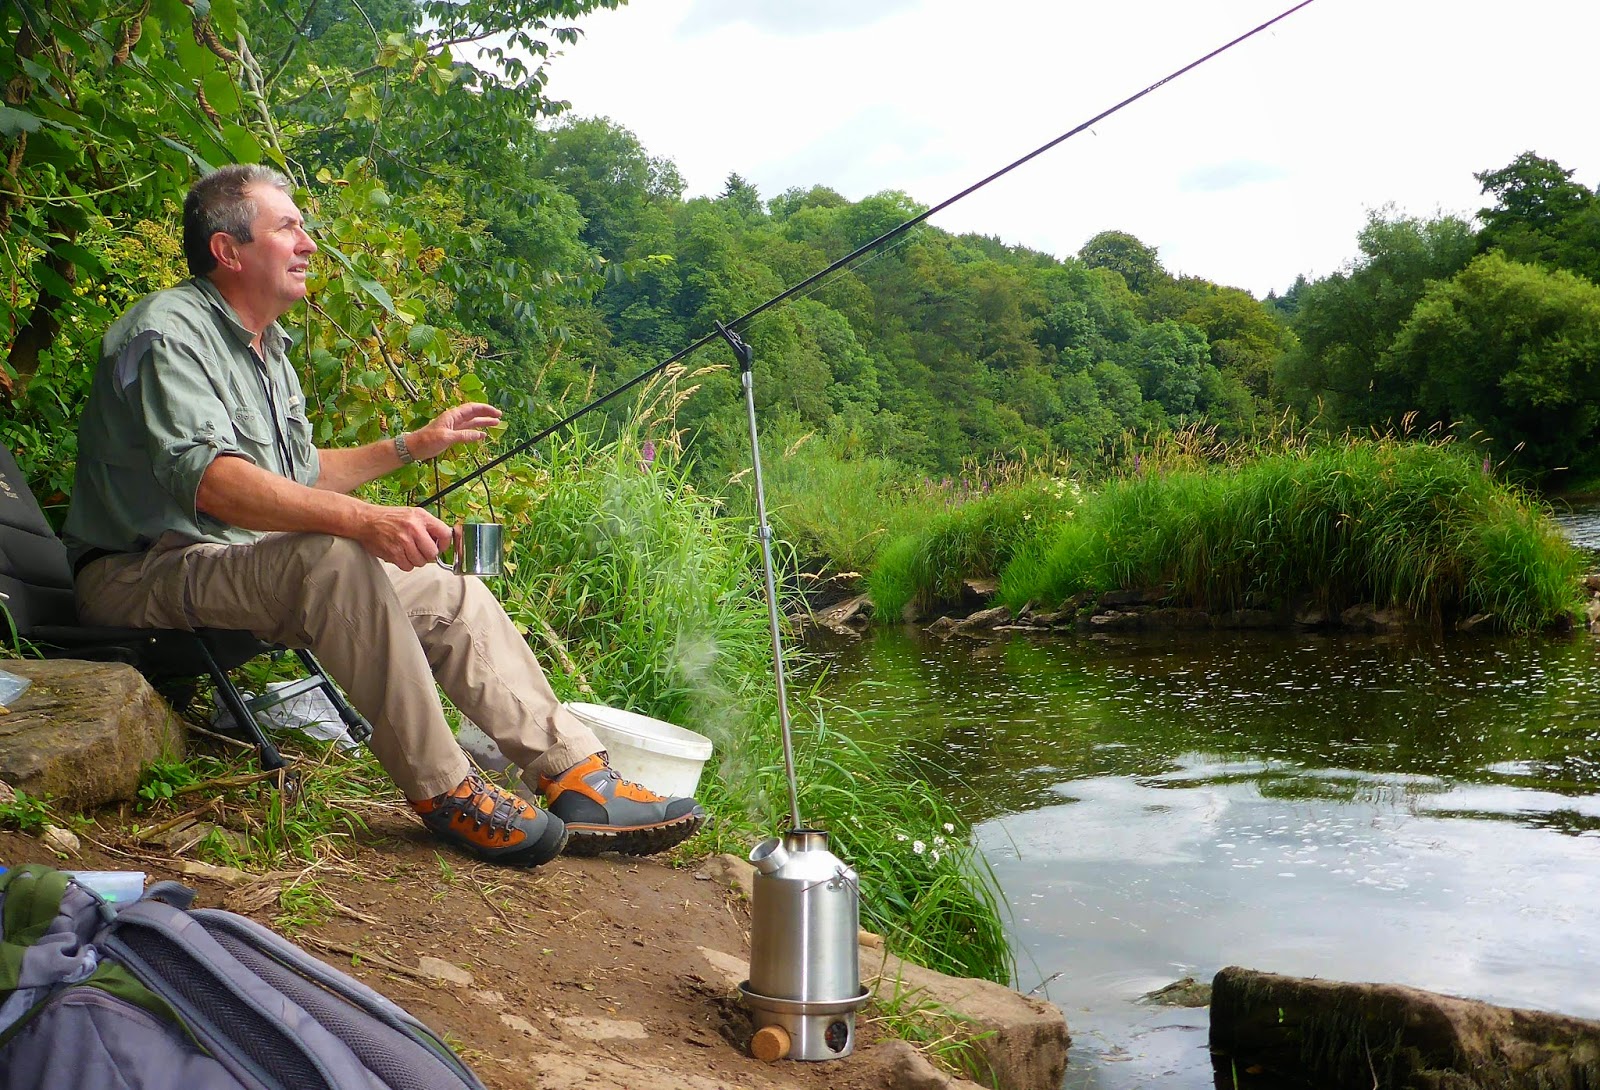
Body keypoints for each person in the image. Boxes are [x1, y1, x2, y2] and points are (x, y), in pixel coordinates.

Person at [62, 163, 706, 867]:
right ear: (229, 250)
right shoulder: (167, 334)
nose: (309, 243)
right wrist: (364, 522)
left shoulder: (267, 350)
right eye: (288, 227)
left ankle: (579, 779)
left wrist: (414, 445)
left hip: (234, 564)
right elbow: (215, 485)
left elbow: (299, 474)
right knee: (333, 551)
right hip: (142, 572)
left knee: (453, 594)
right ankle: (447, 789)